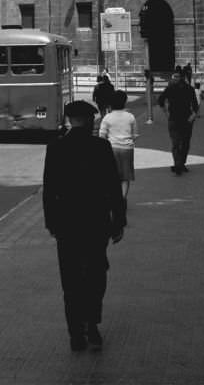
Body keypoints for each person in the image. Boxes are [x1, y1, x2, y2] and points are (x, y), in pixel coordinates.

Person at [42, 100, 125, 353]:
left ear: (69, 120)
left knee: (71, 279)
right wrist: (118, 220)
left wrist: (51, 223)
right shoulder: (101, 146)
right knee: (96, 276)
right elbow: (113, 186)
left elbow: (49, 190)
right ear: (90, 121)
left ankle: (75, 333)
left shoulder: (55, 148)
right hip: (96, 222)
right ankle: (92, 326)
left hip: (67, 225)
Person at [98, 90, 139, 207]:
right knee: (126, 177)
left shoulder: (107, 117)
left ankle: (114, 199)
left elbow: (102, 135)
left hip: (111, 149)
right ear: (125, 102)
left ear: (111, 103)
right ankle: (122, 199)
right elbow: (135, 134)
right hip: (127, 149)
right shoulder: (130, 117)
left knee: (112, 176)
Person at [156, 70, 199, 175]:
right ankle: (181, 164)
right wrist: (192, 117)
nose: (175, 79)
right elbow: (195, 105)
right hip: (186, 119)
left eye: (176, 77)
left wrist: (166, 113)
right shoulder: (190, 89)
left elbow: (160, 100)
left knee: (175, 143)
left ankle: (177, 164)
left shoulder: (170, 88)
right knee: (185, 142)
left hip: (174, 118)